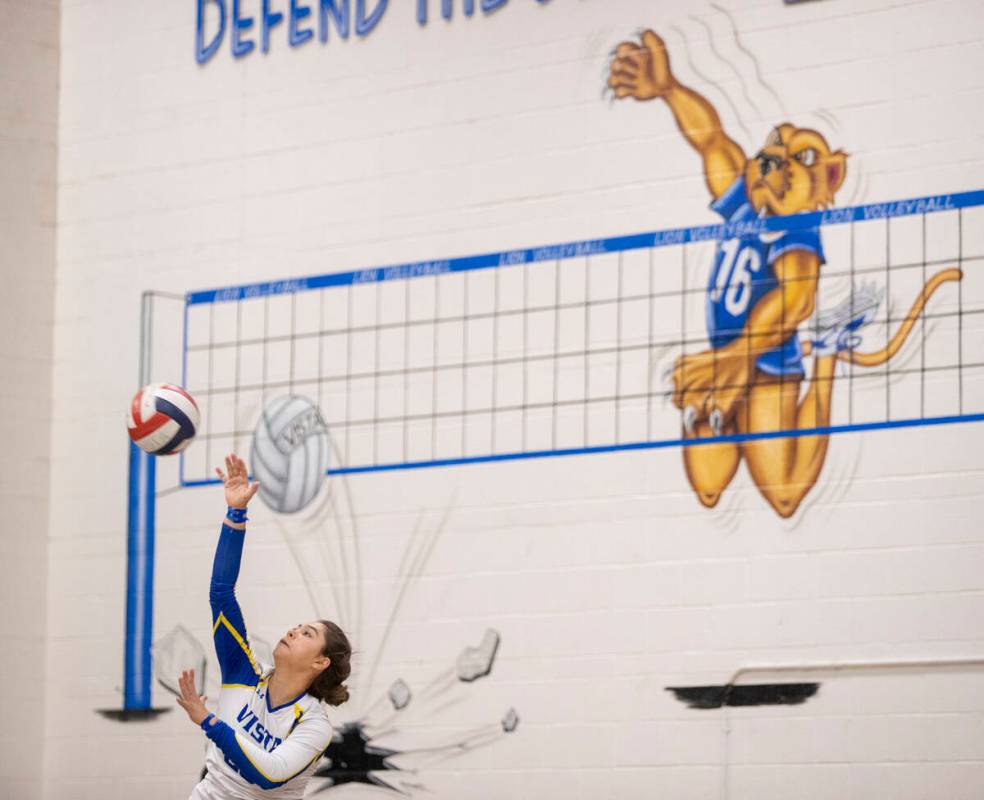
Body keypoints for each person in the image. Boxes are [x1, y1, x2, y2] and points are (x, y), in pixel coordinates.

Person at [176, 454, 352, 799]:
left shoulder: (313, 725)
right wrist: (236, 513)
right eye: (297, 626)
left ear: (321, 662)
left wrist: (209, 721)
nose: (293, 631)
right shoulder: (244, 674)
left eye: (307, 634)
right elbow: (221, 593)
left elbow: (269, 775)